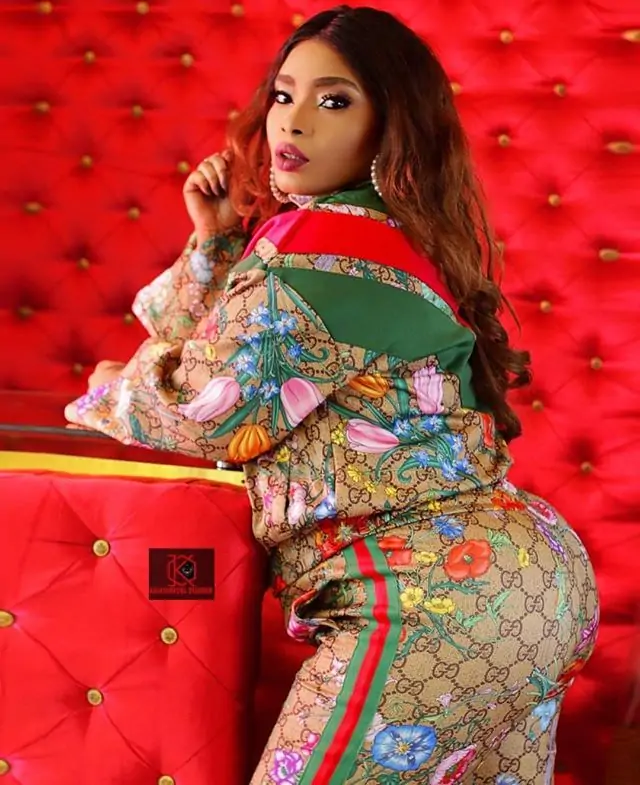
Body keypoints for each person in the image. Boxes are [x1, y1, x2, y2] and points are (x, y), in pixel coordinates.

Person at [65, 6, 599, 784]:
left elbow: (206, 409)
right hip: (531, 587)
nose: (295, 120)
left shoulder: (317, 249)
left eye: (335, 100)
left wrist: (111, 389)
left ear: (389, 128)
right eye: (284, 95)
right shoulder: (393, 236)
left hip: (432, 600)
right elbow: (225, 353)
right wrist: (216, 239)